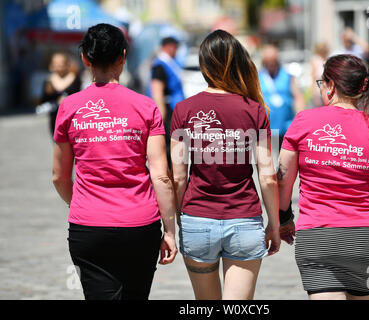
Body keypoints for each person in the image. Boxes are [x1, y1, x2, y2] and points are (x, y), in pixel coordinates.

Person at [277, 54, 369, 300]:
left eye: (321, 83)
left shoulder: (303, 122)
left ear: (331, 86)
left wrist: (283, 218)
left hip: (318, 241)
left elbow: (282, 179)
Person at [52, 23, 177, 300]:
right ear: (123, 57)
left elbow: (59, 177)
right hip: (140, 225)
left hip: (88, 228)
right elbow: (161, 175)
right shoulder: (146, 107)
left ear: (85, 58)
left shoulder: (69, 107)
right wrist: (170, 230)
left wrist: (84, 205)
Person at [170, 29, 280, 300]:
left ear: (204, 65)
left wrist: (178, 217)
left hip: (197, 219)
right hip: (244, 220)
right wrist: (274, 224)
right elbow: (267, 176)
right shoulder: (255, 110)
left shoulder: (184, 110)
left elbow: (178, 177)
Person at [259, 44, 304, 153]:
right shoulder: (258, 77)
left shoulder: (287, 75)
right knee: (267, 162)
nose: (270, 64)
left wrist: (300, 119)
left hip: (286, 127)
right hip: (266, 128)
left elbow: (298, 97)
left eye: (273, 60)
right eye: (268, 61)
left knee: (284, 162)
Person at [150, 36, 185, 164]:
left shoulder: (171, 62)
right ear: (168, 47)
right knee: (170, 149)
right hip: (168, 111)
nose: (176, 51)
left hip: (174, 109)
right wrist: (161, 116)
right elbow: (157, 91)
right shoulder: (159, 65)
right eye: (175, 47)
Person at [40, 52, 81, 137]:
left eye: (61, 63)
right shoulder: (48, 81)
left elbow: (79, 97)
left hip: (71, 117)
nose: (58, 65)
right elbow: (43, 99)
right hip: (55, 117)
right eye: (56, 63)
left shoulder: (74, 79)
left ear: (66, 64)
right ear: (51, 65)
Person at [309, 42, 329, 108]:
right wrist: (314, 94)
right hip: (318, 91)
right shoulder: (315, 60)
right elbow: (313, 78)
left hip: (327, 91)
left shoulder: (328, 60)